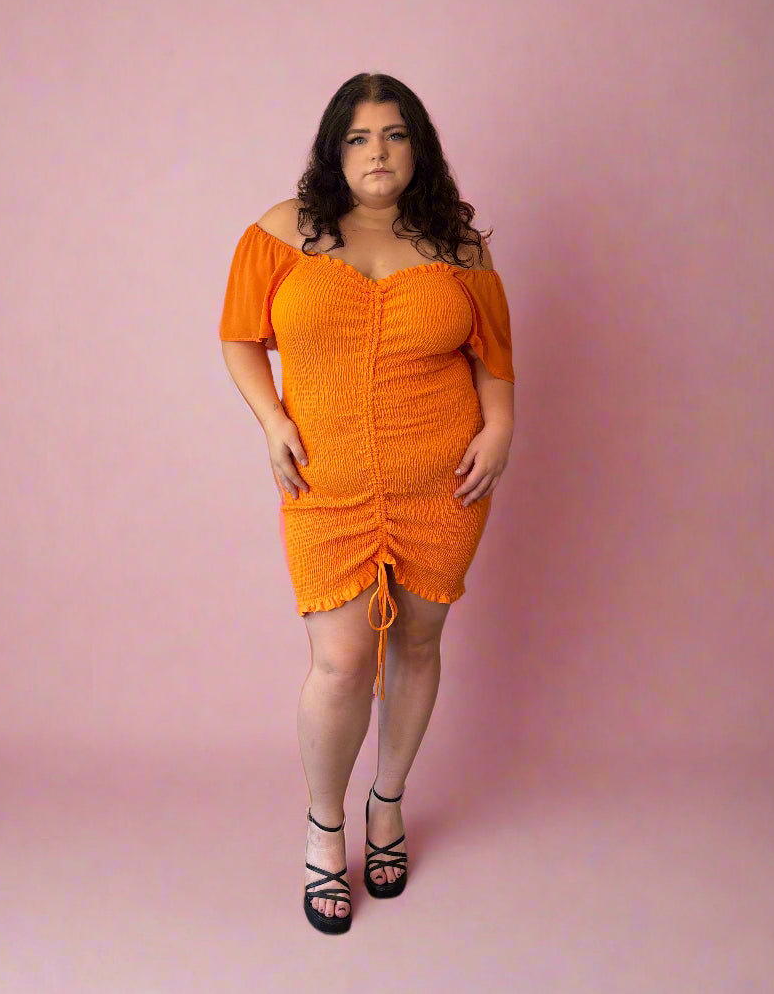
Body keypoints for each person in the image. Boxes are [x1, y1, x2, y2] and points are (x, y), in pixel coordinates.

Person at [219, 72, 514, 934]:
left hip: (441, 480)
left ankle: (387, 803)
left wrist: (500, 428)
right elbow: (238, 337)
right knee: (342, 662)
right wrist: (271, 420)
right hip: (328, 483)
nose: (375, 152)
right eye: (356, 137)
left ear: (417, 146)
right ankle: (325, 828)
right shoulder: (284, 231)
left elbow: (495, 361)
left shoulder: (458, 246)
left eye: (392, 134)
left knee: (417, 643)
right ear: (332, 150)